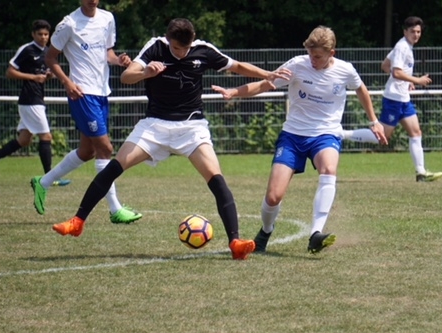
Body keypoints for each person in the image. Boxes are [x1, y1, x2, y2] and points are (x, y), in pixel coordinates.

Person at [50, 18, 291, 260]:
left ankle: (235, 243)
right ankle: (77, 221)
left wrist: (267, 74)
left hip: (191, 127)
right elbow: (126, 76)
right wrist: (146, 72)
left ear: (192, 40)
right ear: (168, 40)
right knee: (114, 167)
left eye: (185, 48)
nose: (181, 53)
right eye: (176, 48)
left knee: (217, 179)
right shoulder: (155, 47)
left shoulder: (203, 50)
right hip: (154, 126)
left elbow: (236, 66)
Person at [212, 26, 388, 254]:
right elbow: (266, 83)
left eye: (318, 56)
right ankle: (265, 231)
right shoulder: (296, 65)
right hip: (293, 136)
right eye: (310, 54)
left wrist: (374, 120)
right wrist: (234, 92)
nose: (312, 60)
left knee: (328, 169)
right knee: (273, 196)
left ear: (331, 53)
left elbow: (361, 89)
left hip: (326, 134)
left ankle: (316, 233)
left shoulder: (345, 70)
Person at [30, 0, 142, 224]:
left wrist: (119, 60)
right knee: (105, 148)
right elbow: (49, 57)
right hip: (82, 93)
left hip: (102, 93)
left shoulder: (107, 18)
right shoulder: (69, 24)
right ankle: (115, 209)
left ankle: (43, 182)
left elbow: (108, 53)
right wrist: (67, 82)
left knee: (87, 150)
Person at [341, 16, 442, 183]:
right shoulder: (402, 47)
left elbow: (385, 65)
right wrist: (416, 80)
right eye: (413, 31)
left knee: (416, 132)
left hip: (403, 99)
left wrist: (407, 81)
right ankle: (342, 134)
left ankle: (421, 173)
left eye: (418, 32)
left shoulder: (405, 46)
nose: (416, 35)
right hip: (394, 99)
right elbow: (395, 72)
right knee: (381, 137)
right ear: (405, 32)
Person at [0, 19, 70, 187]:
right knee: (46, 136)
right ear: (33, 34)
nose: (43, 37)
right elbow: (10, 72)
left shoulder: (47, 52)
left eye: (46, 34)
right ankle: (49, 178)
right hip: (30, 100)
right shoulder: (27, 49)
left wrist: (48, 76)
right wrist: (33, 77)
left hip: (36, 98)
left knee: (24, 140)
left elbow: (42, 73)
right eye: (40, 34)